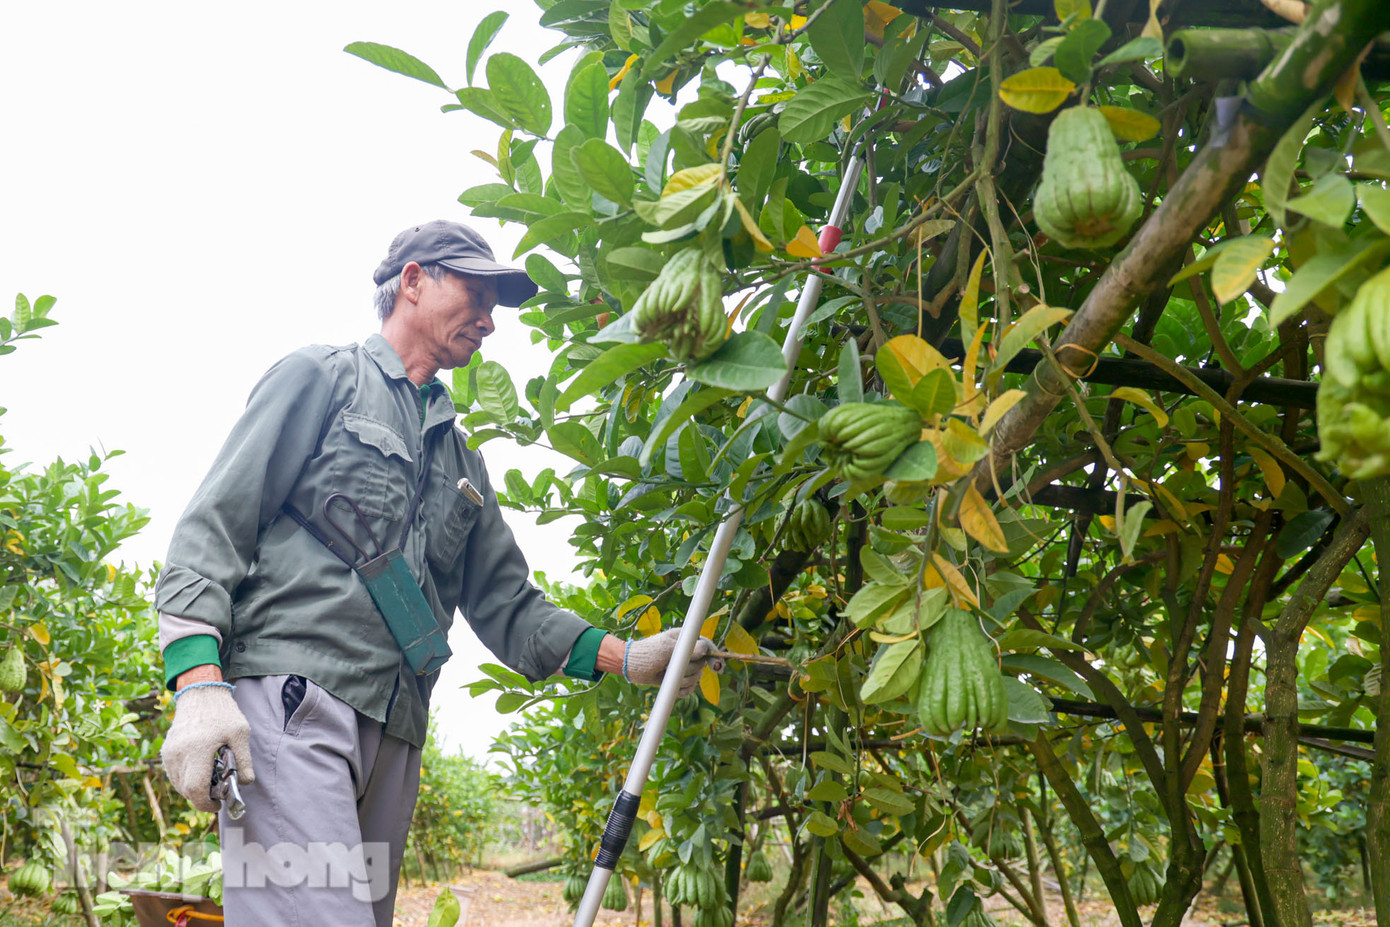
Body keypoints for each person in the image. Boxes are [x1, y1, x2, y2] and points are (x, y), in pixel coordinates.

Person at [154, 220, 719, 926]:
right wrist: (198, 684)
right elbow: (216, 522)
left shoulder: (462, 464)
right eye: (475, 294)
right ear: (413, 281)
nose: (488, 320)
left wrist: (629, 657)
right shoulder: (321, 378)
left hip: (395, 731)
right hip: (297, 703)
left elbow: (510, 603)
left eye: (494, 306)